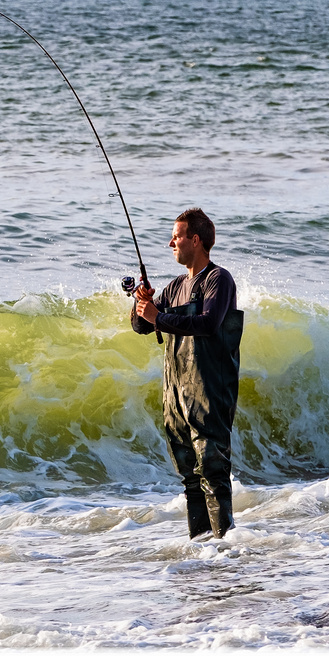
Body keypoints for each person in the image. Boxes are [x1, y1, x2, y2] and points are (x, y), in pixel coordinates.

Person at [131, 208, 242, 539]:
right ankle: (202, 551)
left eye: (177, 236)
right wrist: (142, 304)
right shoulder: (174, 286)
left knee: (214, 472)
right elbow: (140, 325)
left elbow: (208, 324)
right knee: (190, 478)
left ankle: (226, 550)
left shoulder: (218, 279)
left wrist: (158, 317)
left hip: (210, 393)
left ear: (196, 240)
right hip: (176, 398)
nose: (171, 243)